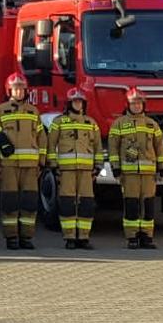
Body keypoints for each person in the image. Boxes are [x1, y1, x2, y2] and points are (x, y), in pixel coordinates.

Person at [0, 73, 48, 250]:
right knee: (10, 202)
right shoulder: (0, 111)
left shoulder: (33, 111)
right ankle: (11, 238)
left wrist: (41, 162)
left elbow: (41, 138)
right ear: (9, 90)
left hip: (31, 166)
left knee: (29, 203)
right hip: (8, 166)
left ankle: (26, 237)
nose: (19, 91)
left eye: (22, 89)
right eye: (15, 88)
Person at [107, 87, 163, 249]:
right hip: (129, 174)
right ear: (128, 105)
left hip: (149, 174)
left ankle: (147, 237)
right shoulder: (118, 124)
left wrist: (162, 166)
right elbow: (113, 148)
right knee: (131, 205)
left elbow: (159, 147)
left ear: (144, 105)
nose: (136, 106)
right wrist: (116, 167)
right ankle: (132, 237)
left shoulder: (152, 124)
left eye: (139, 103)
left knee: (148, 205)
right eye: (133, 103)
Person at [46, 88, 104, 250]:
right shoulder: (59, 122)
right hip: (66, 171)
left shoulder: (91, 123)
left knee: (86, 203)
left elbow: (98, 147)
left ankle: (84, 237)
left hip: (86, 172)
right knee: (67, 203)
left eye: (80, 102)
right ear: (69, 103)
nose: (78, 104)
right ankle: (70, 237)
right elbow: (50, 145)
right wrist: (53, 166)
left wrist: (98, 167)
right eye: (75, 102)